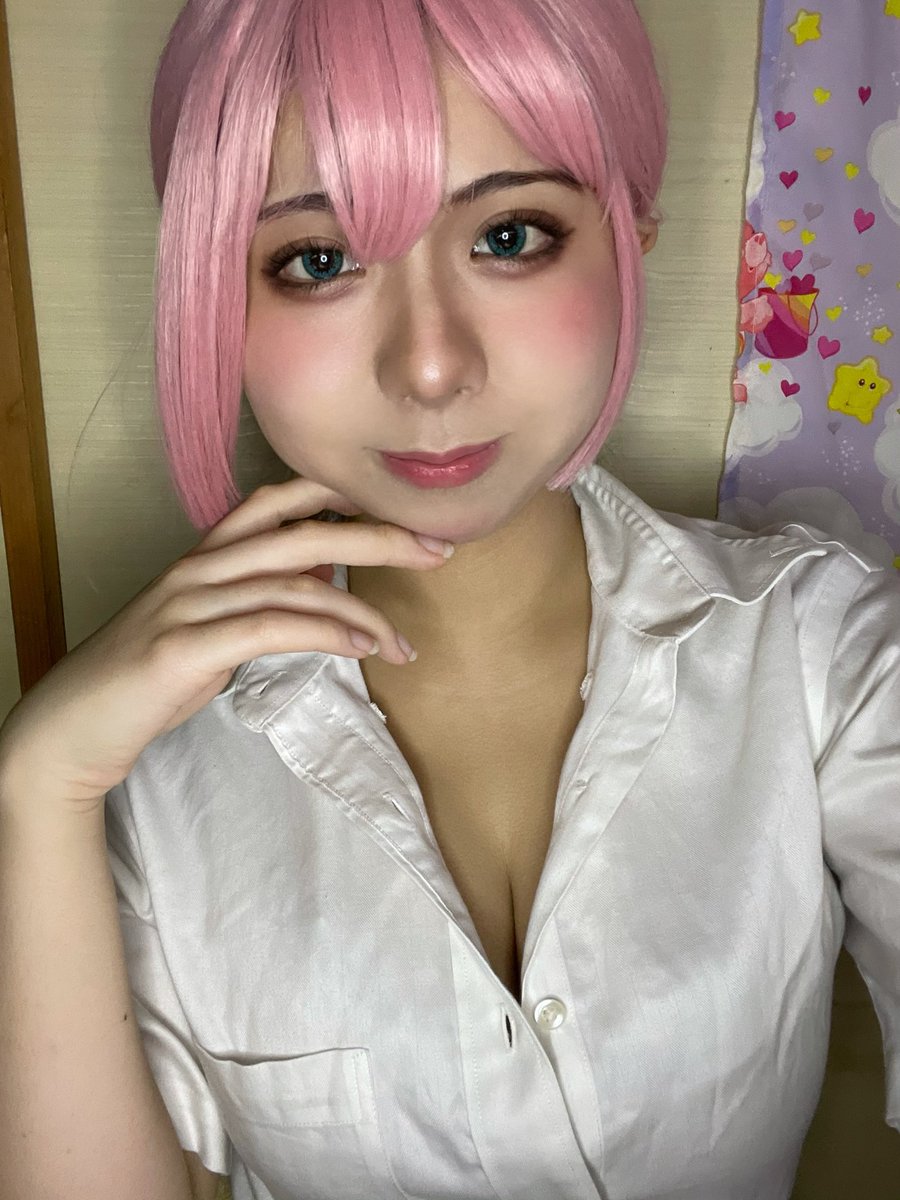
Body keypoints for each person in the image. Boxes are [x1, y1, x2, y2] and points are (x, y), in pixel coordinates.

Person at [1, 1, 898, 1199]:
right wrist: (37, 787)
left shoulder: (821, 653)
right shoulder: (149, 776)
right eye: (319, 261)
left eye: (511, 236)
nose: (430, 365)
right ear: (219, 298)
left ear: (630, 234)